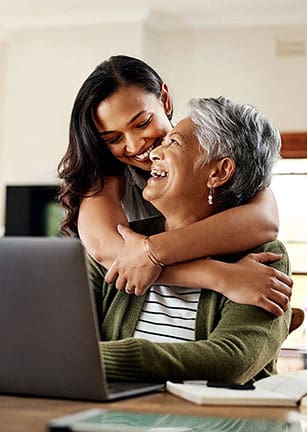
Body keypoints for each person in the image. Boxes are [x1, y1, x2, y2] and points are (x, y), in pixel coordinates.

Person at [57, 55, 288, 316]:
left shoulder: (208, 144)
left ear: (165, 99)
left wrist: (153, 251)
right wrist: (221, 277)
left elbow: (264, 220)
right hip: (143, 308)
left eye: (142, 123)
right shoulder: (106, 178)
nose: (135, 146)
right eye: (113, 138)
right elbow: (111, 252)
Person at [87, 96, 292, 383]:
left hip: (217, 427)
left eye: (174, 143)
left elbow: (232, 360)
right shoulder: (124, 243)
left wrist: (91, 359)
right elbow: (64, 340)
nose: (152, 153)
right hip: (112, 420)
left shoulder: (267, 258)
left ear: (219, 172)